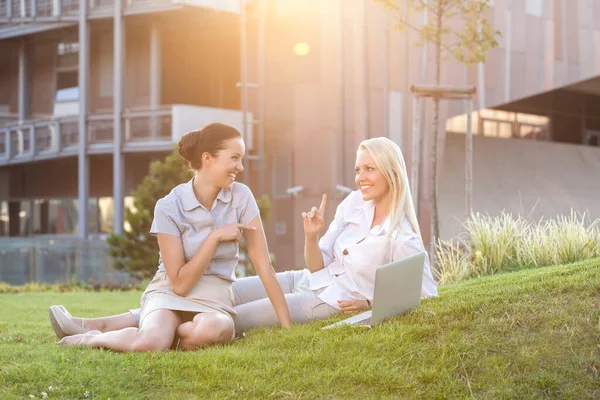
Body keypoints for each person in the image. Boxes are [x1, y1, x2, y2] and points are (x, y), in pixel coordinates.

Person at [50, 137, 437, 339]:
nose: (360, 177)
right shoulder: (354, 204)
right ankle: (94, 324)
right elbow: (315, 262)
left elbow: (425, 293)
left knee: (229, 316)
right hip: (305, 279)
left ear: (390, 171)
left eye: (370, 169)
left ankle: (138, 334)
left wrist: (370, 300)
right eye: (358, 168)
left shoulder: (401, 235)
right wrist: (311, 236)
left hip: (325, 302)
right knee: (221, 293)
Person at [51, 123, 292, 351]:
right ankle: (91, 338)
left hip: (214, 295)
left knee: (215, 330)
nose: (240, 167)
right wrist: (214, 237)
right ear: (208, 158)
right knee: (150, 344)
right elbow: (180, 283)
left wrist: (286, 326)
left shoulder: (242, 197)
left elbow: (264, 267)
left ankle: (169, 334)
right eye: (235, 158)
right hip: (170, 292)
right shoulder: (168, 207)